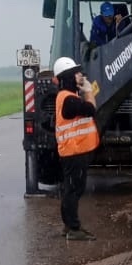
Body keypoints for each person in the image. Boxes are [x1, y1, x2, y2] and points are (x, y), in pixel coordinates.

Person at [52, 56, 100, 240]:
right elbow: (91, 109)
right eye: (76, 73)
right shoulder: (69, 100)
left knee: (71, 189)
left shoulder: (66, 97)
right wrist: (89, 91)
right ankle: (73, 229)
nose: (81, 76)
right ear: (68, 77)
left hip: (72, 151)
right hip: (74, 152)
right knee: (74, 190)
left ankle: (68, 226)